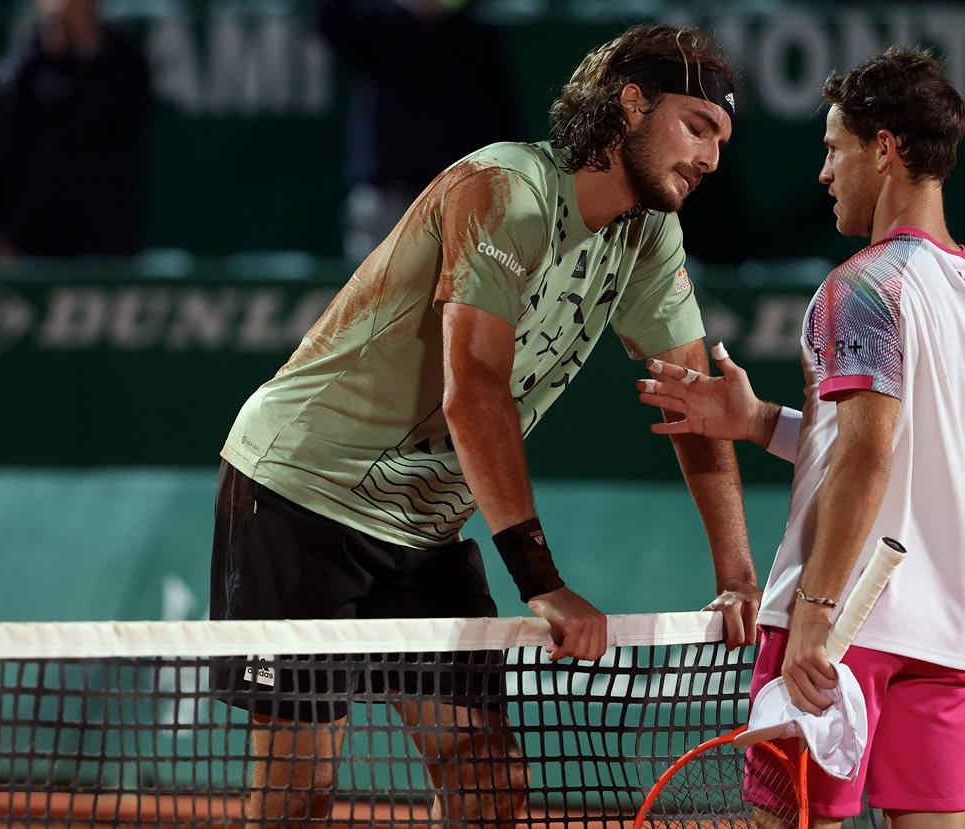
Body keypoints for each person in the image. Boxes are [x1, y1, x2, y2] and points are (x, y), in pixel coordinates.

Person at [210, 23, 761, 825]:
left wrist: (737, 572)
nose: (712, 157)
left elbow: (696, 401)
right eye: (697, 126)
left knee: (488, 780)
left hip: (424, 528)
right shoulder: (506, 187)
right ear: (630, 105)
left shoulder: (649, 236)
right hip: (302, 495)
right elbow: (475, 389)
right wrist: (543, 583)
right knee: (300, 790)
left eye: (722, 138)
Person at [636, 47, 965, 827]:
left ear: (885, 149)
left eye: (834, 148)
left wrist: (816, 608)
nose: (824, 172)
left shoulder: (863, 287)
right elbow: (906, 449)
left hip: (841, 624)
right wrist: (759, 423)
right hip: (946, 636)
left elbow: (871, 456)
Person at [316, 0, 518, 262]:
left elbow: (503, 121)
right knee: (377, 299)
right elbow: (328, 18)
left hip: (459, 202)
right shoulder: (377, 25)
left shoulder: (476, 35)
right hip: (387, 199)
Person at [0, 0, 150, 259]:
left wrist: (86, 47)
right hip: (31, 245)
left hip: (106, 244)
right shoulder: (19, 72)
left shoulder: (124, 62)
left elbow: (125, 120)